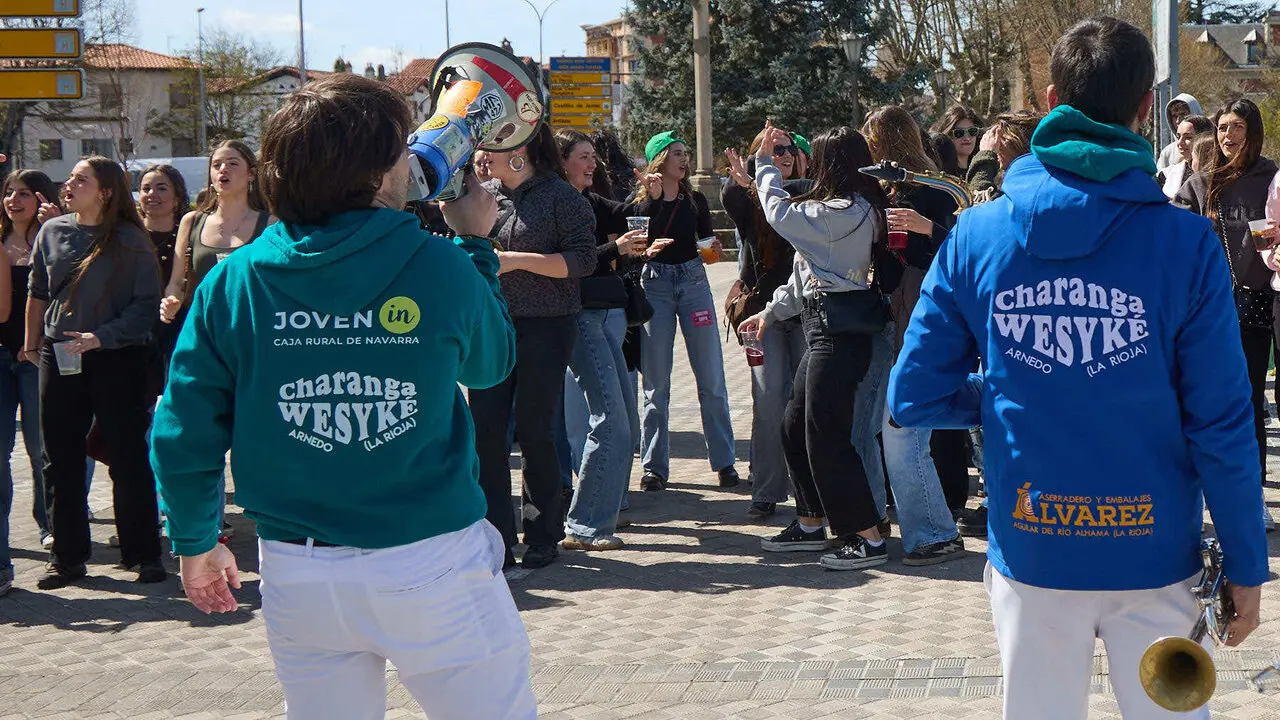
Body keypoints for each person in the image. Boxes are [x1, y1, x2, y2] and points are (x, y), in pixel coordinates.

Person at [889, 18, 1267, 719]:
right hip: (1154, 556)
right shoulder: (1186, 243)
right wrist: (1247, 562)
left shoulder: (976, 233)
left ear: (1051, 96)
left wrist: (1010, 388)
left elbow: (912, 395)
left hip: (1034, 550)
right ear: (1147, 109)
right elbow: (1221, 422)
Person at [151, 73, 536, 719]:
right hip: (429, 558)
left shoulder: (233, 282)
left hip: (301, 574)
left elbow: (183, 429)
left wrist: (194, 542)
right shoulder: (438, 263)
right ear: (376, 174)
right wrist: (474, 243)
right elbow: (491, 365)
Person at [735, 123, 889, 569]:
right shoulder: (840, 212)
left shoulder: (847, 211)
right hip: (823, 326)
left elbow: (778, 214)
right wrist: (769, 313)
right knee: (794, 424)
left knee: (826, 434)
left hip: (840, 334)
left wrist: (764, 165)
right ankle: (809, 522)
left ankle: (867, 537)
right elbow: (807, 274)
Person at [28, 157, 166, 589]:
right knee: (59, 458)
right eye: (69, 178)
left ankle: (143, 555)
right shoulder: (51, 231)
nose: (68, 184)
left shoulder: (131, 239)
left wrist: (101, 337)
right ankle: (67, 558)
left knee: (126, 456)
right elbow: (38, 290)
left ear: (105, 191)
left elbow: (146, 307)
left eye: (80, 179)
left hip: (116, 357)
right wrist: (34, 343)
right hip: (60, 354)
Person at [470, 124, 597, 570]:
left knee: (535, 431)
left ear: (520, 149)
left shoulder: (561, 197)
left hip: (547, 326)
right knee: (485, 435)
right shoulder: (481, 195)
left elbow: (583, 260)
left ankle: (543, 533)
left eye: (495, 145)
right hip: (491, 326)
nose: (484, 152)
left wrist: (515, 262)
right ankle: (496, 538)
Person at [861, 105, 966, 563]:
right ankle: (924, 529)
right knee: (893, 425)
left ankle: (936, 532)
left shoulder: (936, 188)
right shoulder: (885, 186)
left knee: (905, 426)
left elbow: (963, 250)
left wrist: (928, 228)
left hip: (927, 312)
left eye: (873, 137)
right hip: (893, 312)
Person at [1175, 98, 1279, 531]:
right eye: (1222, 128)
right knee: (1226, 401)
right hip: (1217, 310)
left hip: (1265, 300)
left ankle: (1252, 495)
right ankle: (1229, 498)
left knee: (1259, 401)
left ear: (1253, 132)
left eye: (1237, 127)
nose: (1228, 136)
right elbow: (1176, 234)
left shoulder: (1271, 178)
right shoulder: (1202, 183)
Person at [553, 129, 647, 551]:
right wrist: (616, 249)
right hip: (578, 317)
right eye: (584, 156)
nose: (593, 163)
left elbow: (623, 212)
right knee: (610, 422)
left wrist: (651, 195)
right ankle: (585, 526)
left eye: (594, 156)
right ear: (562, 160)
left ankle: (593, 519)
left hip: (598, 315)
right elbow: (576, 263)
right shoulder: (559, 201)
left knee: (622, 420)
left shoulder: (583, 200)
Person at [632, 132, 740, 492]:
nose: (685, 159)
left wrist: (713, 251)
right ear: (659, 160)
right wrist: (655, 199)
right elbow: (637, 238)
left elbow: (706, 244)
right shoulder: (644, 202)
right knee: (656, 384)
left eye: (686, 153)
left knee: (711, 378)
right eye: (676, 153)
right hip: (655, 286)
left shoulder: (695, 200)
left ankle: (725, 463)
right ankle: (655, 468)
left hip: (693, 283)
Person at [722, 129, 813, 519]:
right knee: (769, 398)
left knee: (807, 401)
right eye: (772, 151)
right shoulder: (750, 200)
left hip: (807, 312)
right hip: (765, 318)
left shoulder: (810, 196)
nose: (783, 155)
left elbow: (806, 185)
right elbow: (729, 197)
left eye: (788, 149)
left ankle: (808, 487)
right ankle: (767, 489)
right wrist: (749, 181)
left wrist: (764, 177)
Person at [1157, 115, 1213, 199]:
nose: (1180, 142)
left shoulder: (1220, 175)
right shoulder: (1167, 174)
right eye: (1178, 136)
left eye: (1188, 137)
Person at [931, 105, 986, 175]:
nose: (967, 138)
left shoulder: (983, 170)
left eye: (972, 131)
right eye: (959, 133)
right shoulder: (939, 173)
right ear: (947, 135)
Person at [1156, 92, 1204, 170]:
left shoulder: (1212, 147)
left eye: (1183, 114)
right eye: (1174, 116)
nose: (1178, 121)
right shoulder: (1168, 153)